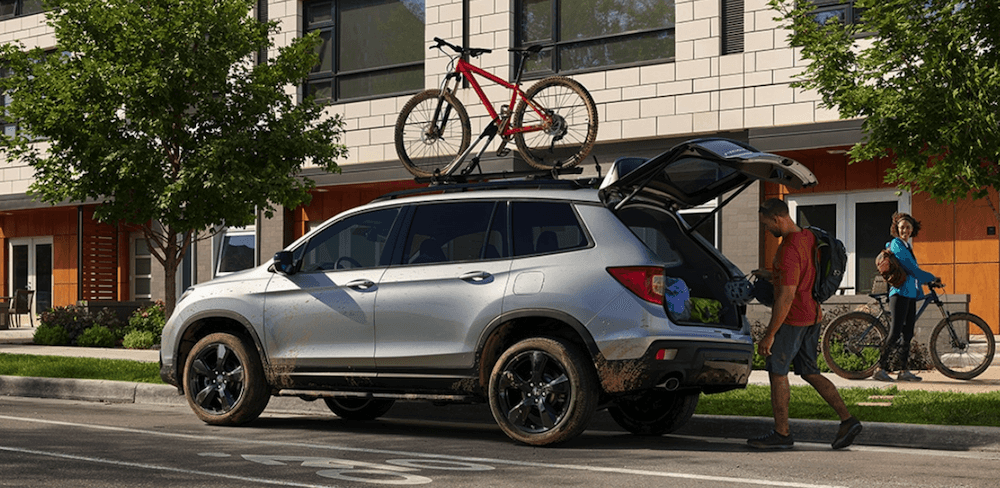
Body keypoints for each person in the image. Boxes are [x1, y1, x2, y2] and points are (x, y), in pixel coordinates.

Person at [748, 198, 862, 450]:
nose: (767, 230)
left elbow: (787, 297)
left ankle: (782, 433)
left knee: (777, 372)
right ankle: (848, 419)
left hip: (793, 318)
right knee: (810, 371)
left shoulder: (788, 250)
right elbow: (803, 273)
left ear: (777, 219)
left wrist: (769, 335)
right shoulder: (808, 237)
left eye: (766, 225)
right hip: (813, 315)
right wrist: (771, 274)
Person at [872, 212, 938, 382]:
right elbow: (911, 269)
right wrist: (932, 277)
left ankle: (903, 371)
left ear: (912, 229)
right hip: (899, 294)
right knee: (895, 331)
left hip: (910, 294)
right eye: (902, 227)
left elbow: (913, 274)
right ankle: (880, 368)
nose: (905, 230)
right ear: (896, 229)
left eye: (908, 227)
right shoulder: (896, 244)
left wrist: (924, 284)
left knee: (907, 333)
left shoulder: (907, 246)